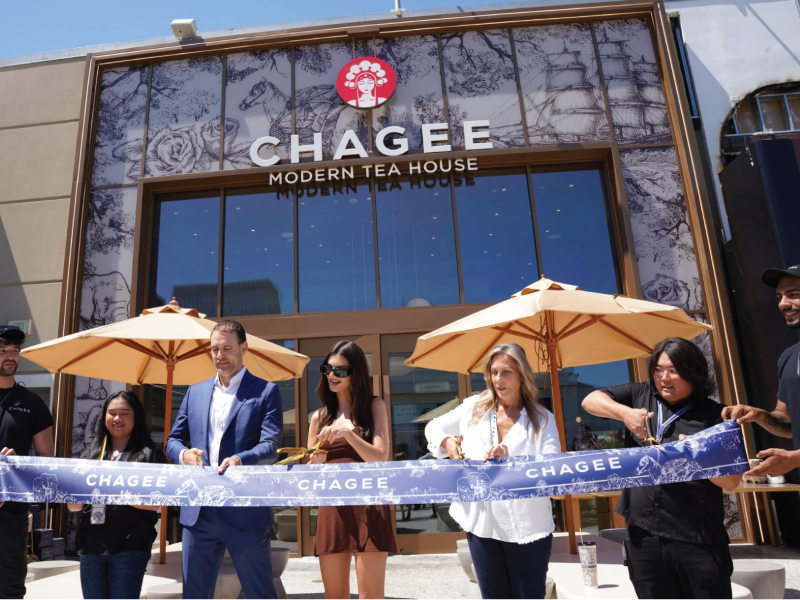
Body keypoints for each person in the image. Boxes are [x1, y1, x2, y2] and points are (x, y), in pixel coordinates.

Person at [582, 337, 744, 600]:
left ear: (693, 373)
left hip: (697, 539)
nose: (664, 378)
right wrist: (623, 413)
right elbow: (590, 400)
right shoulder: (641, 395)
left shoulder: (717, 416)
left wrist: (699, 455)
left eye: (673, 370)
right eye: (658, 370)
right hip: (643, 536)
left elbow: (731, 481)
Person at [425, 343, 560, 600]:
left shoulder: (542, 419)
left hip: (528, 527)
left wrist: (511, 461)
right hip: (482, 525)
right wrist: (448, 443)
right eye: (494, 372)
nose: (498, 379)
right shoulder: (473, 408)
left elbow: (551, 468)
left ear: (522, 375)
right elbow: (433, 427)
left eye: (506, 372)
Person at [166, 320, 283, 600]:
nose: (220, 355)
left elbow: (271, 445)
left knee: (260, 593)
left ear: (244, 348)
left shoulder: (265, 391)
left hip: (245, 510)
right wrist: (183, 454)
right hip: (199, 512)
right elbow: (172, 440)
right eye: (215, 349)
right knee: (194, 595)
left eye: (227, 348)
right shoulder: (194, 392)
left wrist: (240, 459)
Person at [306, 341, 395, 600]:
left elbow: (380, 458)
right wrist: (317, 461)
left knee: (371, 596)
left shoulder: (374, 406)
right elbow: (310, 474)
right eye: (327, 369)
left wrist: (348, 434)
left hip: (370, 506)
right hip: (333, 508)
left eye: (340, 371)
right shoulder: (319, 417)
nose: (331, 375)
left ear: (356, 373)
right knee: (335, 596)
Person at [66, 391, 167, 600]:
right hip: (91, 547)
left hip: (129, 548)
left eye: (124, 413)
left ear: (136, 416)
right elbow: (73, 506)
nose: (117, 418)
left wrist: (114, 489)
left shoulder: (150, 454)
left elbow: (155, 503)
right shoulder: (91, 454)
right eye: (112, 413)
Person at [722, 264, 800, 477]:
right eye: (779, 297)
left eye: (793, 294)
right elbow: (787, 420)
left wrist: (795, 458)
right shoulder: (789, 357)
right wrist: (760, 415)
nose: (783, 303)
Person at [0, 325, 55, 600]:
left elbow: (47, 459)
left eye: (15, 351)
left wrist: (19, 463)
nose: (10, 356)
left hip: (12, 511)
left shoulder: (32, 404)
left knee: (10, 587)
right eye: (2, 350)